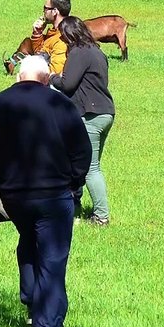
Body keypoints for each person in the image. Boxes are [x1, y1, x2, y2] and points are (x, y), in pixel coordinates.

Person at [0, 55, 92, 327]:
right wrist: (74, 183)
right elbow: (82, 150)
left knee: (29, 238)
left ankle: (31, 300)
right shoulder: (62, 105)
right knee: (53, 259)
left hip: (15, 194)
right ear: (46, 78)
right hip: (54, 193)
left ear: (19, 77)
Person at [51, 17, 115, 227]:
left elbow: (67, 85)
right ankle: (74, 206)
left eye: (63, 36)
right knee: (84, 165)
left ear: (70, 34)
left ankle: (101, 216)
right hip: (105, 113)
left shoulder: (79, 52)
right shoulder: (97, 51)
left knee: (90, 168)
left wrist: (51, 77)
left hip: (91, 115)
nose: (62, 40)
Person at [29, 0, 71, 74]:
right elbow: (40, 53)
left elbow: (56, 72)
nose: (43, 12)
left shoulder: (61, 39)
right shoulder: (54, 32)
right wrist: (37, 34)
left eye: (45, 8)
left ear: (54, 11)